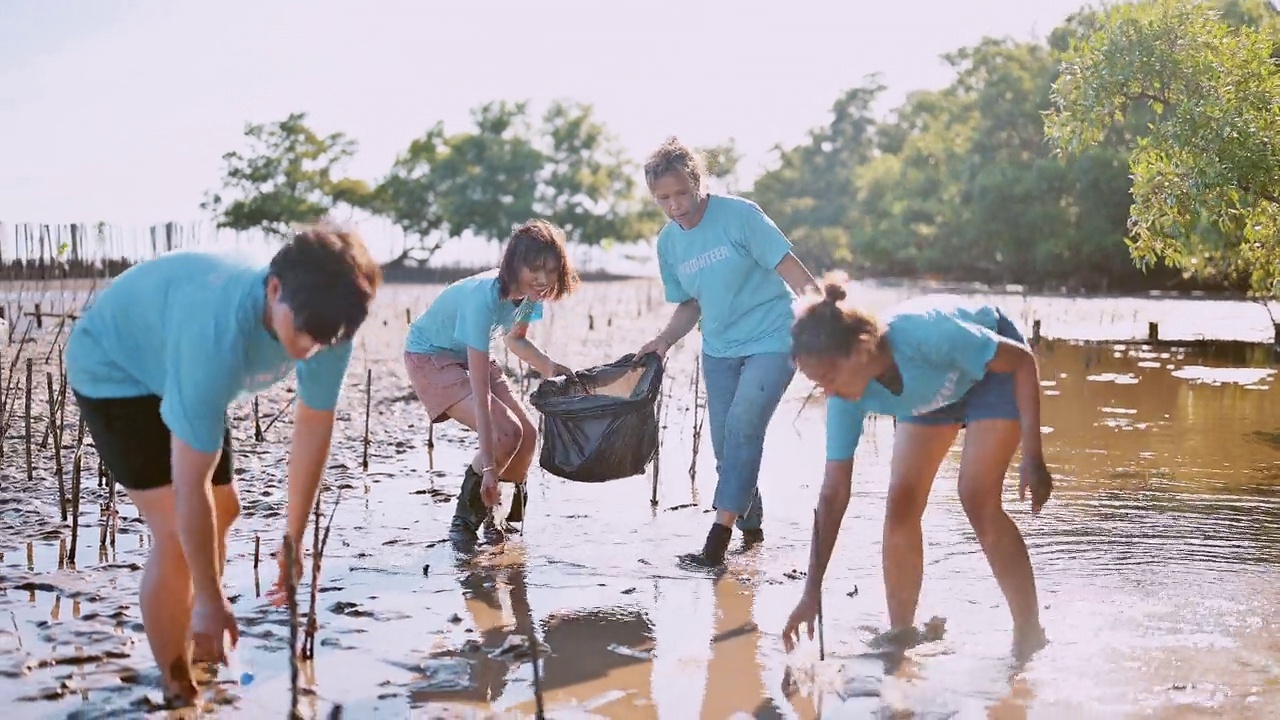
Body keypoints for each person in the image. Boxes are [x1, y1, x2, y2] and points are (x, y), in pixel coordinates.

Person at [65, 225, 382, 705]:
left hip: (174, 357)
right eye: (303, 333)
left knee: (225, 508)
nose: (309, 350)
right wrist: (214, 601)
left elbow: (313, 429)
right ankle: (177, 686)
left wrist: (292, 541)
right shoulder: (216, 336)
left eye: (324, 341)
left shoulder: (330, 320)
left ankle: (198, 635)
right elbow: (188, 485)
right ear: (274, 290)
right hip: (116, 368)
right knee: (174, 534)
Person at [779, 281, 1055, 660]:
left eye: (828, 378)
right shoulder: (846, 397)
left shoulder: (928, 336)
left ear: (860, 352)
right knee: (902, 502)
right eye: (817, 384)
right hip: (936, 391)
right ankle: (901, 634)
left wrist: (1033, 457)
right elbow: (833, 494)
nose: (826, 392)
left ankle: (1029, 632)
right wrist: (811, 593)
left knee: (976, 496)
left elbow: (1022, 361)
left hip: (993, 372)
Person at [637, 137, 817, 567]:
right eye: (663, 198)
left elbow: (790, 268)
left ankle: (716, 540)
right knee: (725, 445)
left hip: (774, 336)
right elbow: (690, 304)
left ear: (698, 182)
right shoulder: (668, 244)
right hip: (719, 349)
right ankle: (750, 523)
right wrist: (663, 340)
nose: (675, 205)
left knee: (743, 425)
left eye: (681, 193)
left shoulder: (740, 216)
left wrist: (824, 319)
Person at [404, 219, 578, 547]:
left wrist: (550, 367)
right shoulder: (483, 298)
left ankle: (499, 521)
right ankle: (464, 524)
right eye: (535, 269)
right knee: (505, 433)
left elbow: (517, 341)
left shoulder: (529, 295)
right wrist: (487, 467)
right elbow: (482, 394)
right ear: (514, 264)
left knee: (526, 436)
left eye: (551, 271)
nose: (543, 280)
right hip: (431, 356)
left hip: (466, 350)